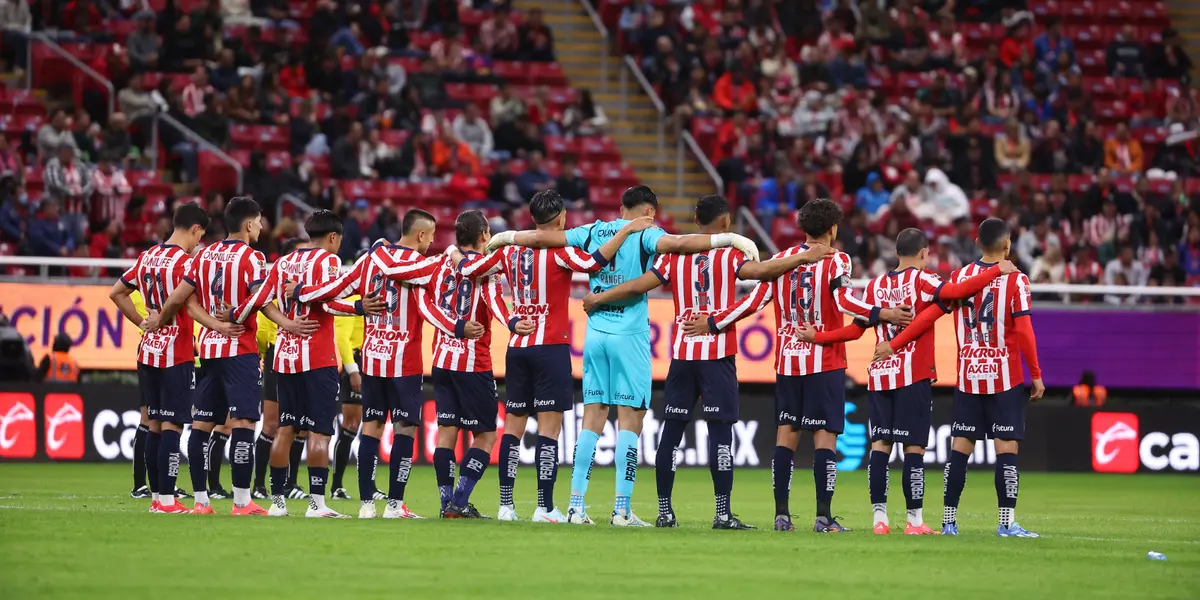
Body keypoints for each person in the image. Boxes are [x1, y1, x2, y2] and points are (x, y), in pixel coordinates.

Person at [487, 185, 760, 526]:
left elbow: (544, 238)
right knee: (630, 419)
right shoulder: (647, 232)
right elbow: (677, 245)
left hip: (596, 333)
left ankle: (575, 507)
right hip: (629, 333)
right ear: (651, 211)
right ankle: (621, 510)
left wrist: (508, 236)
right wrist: (728, 240)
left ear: (621, 206)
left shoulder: (594, 230)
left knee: (592, 418)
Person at [581, 195, 833, 530]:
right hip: (717, 357)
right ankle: (722, 513)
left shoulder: (673, 256)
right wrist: (805, 256)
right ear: (726, 223)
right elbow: (762, 271)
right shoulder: (729, 254)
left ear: (697, 222)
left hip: (683, 356)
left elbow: (640, 284)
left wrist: (600, 296)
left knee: (670, 434)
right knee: (720, 436)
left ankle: (665, 512)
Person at [683, 199, 912, 533]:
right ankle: (823, 518)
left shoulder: (781, 260)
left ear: (804, 228)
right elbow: (845, 301)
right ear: (833, 229)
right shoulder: (837, 260)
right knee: (825, 439)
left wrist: (714, 322)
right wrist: (885, 314)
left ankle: (781, 516)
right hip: (825, 362)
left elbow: (753, 301)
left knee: (785, 437)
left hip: (788, 361)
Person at [798, 228, 1016, 535]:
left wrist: (817, 337)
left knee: (880, 446)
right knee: (914, 449)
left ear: (896, 253)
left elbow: (854, 331)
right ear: (925, 253)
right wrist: (996, 270)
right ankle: (914, 521)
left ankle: (879, 520)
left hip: (880, 373)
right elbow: (954, 294)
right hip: (912, 375)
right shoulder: (923, 280)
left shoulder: (875, 286)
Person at [455, 190, 657, 523]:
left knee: (513, 429)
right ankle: (545, 507)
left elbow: (470, 270)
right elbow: (594, 262)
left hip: (518, 348)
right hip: (551, 346)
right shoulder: (562, 252)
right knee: (549, 430)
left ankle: (506, 506)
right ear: (561, 218)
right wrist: (625, 230)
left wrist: (456, 254)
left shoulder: (508, 252)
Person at [287, 209, 481, 519]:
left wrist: (302, 292)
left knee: (372, 427)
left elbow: (337, 290)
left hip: (373, 356)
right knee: (404, 429)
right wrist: (458, 328)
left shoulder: (371, 258)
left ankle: (366, 505)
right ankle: (393, 506)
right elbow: (429, 308)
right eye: (430, 236)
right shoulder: (420, 267)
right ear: (420, 234)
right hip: (404, 360)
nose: (431, 242)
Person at [873, 217, 1045, 537]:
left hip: (968, 376)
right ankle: (1006, 523)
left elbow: (929, 316)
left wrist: (893, 344)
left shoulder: (959, 277)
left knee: (960, 451)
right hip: (1003, 377)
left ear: (977, 243)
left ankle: (949, 522)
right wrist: (1035, 375)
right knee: (1006, 449)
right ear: (1007, 245)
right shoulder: (1016, 279)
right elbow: (1024, 330)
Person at [227, 210, 375, 518]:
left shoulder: (283, 262)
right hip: (318, 357)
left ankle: (278, 503)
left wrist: (234, 314)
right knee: (320, 432)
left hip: (284, 356)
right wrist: (359, 307)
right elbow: (330, 300)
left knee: (286, 428)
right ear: (333, 237)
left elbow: (262, 299)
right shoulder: (329, 262)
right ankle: (317, 505)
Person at [154, 197, 284, 515]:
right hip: (240, 349)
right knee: (242, 422)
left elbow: (182, 299)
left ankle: (201, 501)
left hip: (208, 350)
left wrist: (162, 320)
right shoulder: (253, 258)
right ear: (249, 223)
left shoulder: (203, 254)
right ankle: (242, 501)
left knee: (200, 425)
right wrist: (289, 323)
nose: (262, 226)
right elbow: (262, 301)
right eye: (260, 220)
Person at [428, 211, 532, 518]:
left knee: (447, 429)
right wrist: (512, 321)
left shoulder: (442, 265)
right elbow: (493, 300)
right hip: (472, 361)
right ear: (485, 235)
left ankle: (446, 502)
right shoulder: (485, 270)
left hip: (441, 359)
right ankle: (459, 502)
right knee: (486, 435)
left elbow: (430, 301)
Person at [108, 203, 210, 514]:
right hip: (176, 352)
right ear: (194, 230)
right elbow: (186, 304)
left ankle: (156, 498)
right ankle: (167, 499)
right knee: (172, 426)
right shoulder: (185, 263)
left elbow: (116, 292)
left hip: (147, 350)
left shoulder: (147, 256)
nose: (198, 243)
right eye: (199, 236)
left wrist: (142, 322)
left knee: (153, 424)